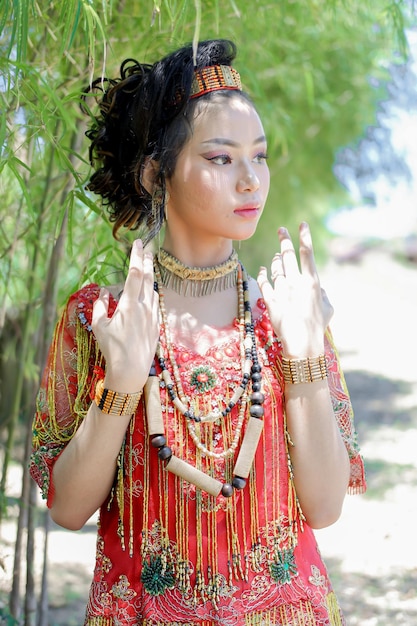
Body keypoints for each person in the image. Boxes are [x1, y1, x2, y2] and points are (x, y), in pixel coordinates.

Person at [30, 39, 366, 626]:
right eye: (220, 158)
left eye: (258, 157)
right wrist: (123, 384)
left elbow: (325, 504)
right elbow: (68, 507)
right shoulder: (102, 319)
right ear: (157, 172)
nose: (250, 180)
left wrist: (306, 354)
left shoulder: (286, 315)